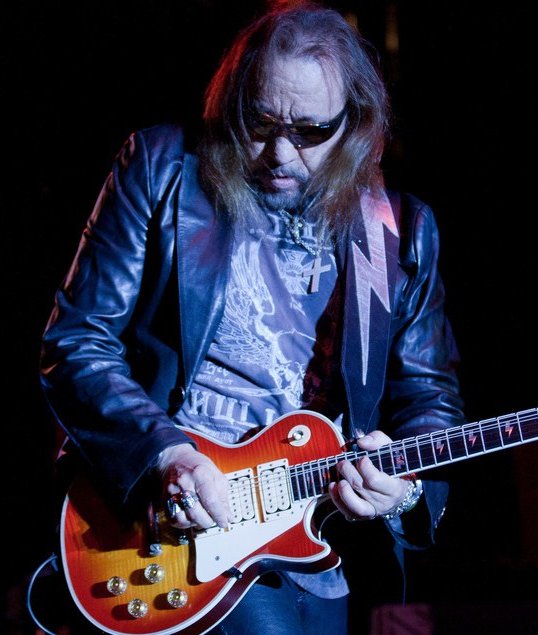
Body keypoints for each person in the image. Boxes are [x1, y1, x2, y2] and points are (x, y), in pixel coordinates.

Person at [38, 2, 465, 634]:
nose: (279, 153)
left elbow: (429, 398)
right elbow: (77, 341)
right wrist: (163, 456)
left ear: (354, 123)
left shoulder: (399, 232)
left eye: (311, 131)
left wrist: (404, 489)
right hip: (174, 526)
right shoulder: (163, 167)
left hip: (317, 545)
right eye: (260, 122)